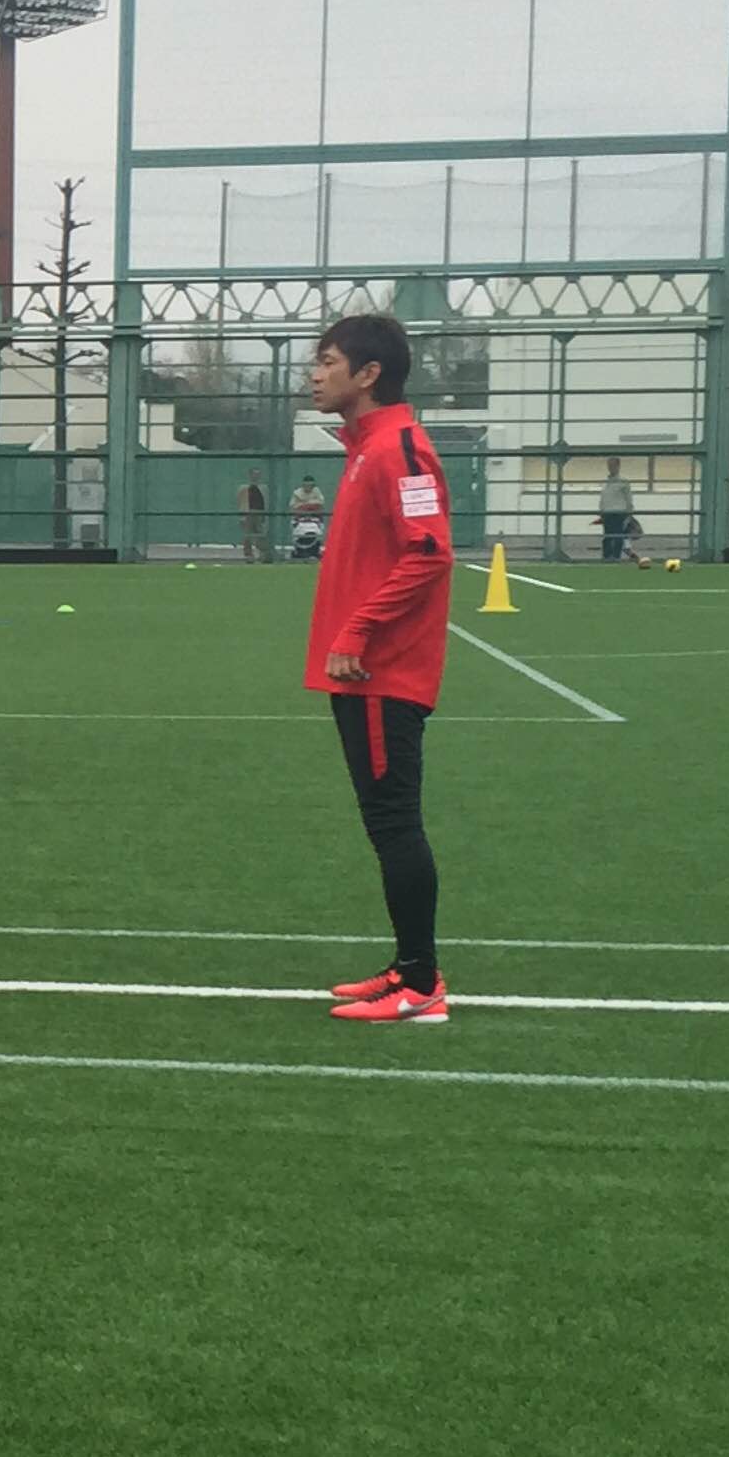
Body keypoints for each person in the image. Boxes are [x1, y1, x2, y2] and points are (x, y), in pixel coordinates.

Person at [304, 312, 455, 1025]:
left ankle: (420, 985)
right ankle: (409, 965)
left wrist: (359, 631)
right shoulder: (368, 448)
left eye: (327, 362)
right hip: (362, 672)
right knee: (385, 823)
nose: (314, 374)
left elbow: (429, 553)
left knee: (394, 823)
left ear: (368, 374)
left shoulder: (399, 448)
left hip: (380, 673)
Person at [596, 458, 644, 564]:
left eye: (613, 465)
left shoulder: (623, 481)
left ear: (618, 466)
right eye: (609, 465)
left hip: (619, 513)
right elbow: (603, 498)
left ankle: (616, 557)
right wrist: (601, 511)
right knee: (607, 536)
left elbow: (628, 499)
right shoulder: (606, 482)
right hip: (607, 513)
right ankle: (607, 557)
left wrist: (629, 513)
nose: (610, 468)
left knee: (618, 536)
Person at [238, 468, 269, 564]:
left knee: (261, 535)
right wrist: (242, 516)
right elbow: (241, 502)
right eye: (254, 474)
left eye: (258, 474)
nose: (256, 476)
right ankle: (249, 556)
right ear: (250, 475)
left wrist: (264, 515)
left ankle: (264, 555)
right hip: (248, 514)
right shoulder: (244, 488)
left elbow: (264, 502)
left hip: (259, 514)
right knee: (247, 536)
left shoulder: (263, 488)